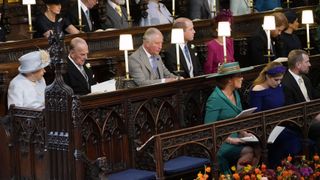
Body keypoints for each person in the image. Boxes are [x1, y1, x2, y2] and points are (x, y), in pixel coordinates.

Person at [204, 62, 259, 174]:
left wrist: (244, 133)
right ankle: (238, 176)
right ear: (229, 80)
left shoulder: (236, 94)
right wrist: (230, 139)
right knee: (249, 151)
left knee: (259, 148)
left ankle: (248, 175)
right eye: (239, 76)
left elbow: (238, 118)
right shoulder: (215, 99)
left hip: (237, 137)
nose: (242, 78)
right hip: (219, 142)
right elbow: (208, 128)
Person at [249, 61, 301, 167]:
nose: (278, 83)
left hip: (281, 124)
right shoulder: (257, 90)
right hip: (266, 128)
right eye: (275, 80)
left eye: (280, 80)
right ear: (267, 76)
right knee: (290, 141)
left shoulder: (279, 87)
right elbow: (255, 115)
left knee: (300, 137)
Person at [204, 9, 234, 74]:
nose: (231, 30)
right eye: (228, 27)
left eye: (230, 26)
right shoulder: (211, 45)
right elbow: (209, 68)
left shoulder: (229, 41)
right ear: (217, 29)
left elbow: (232, 62)